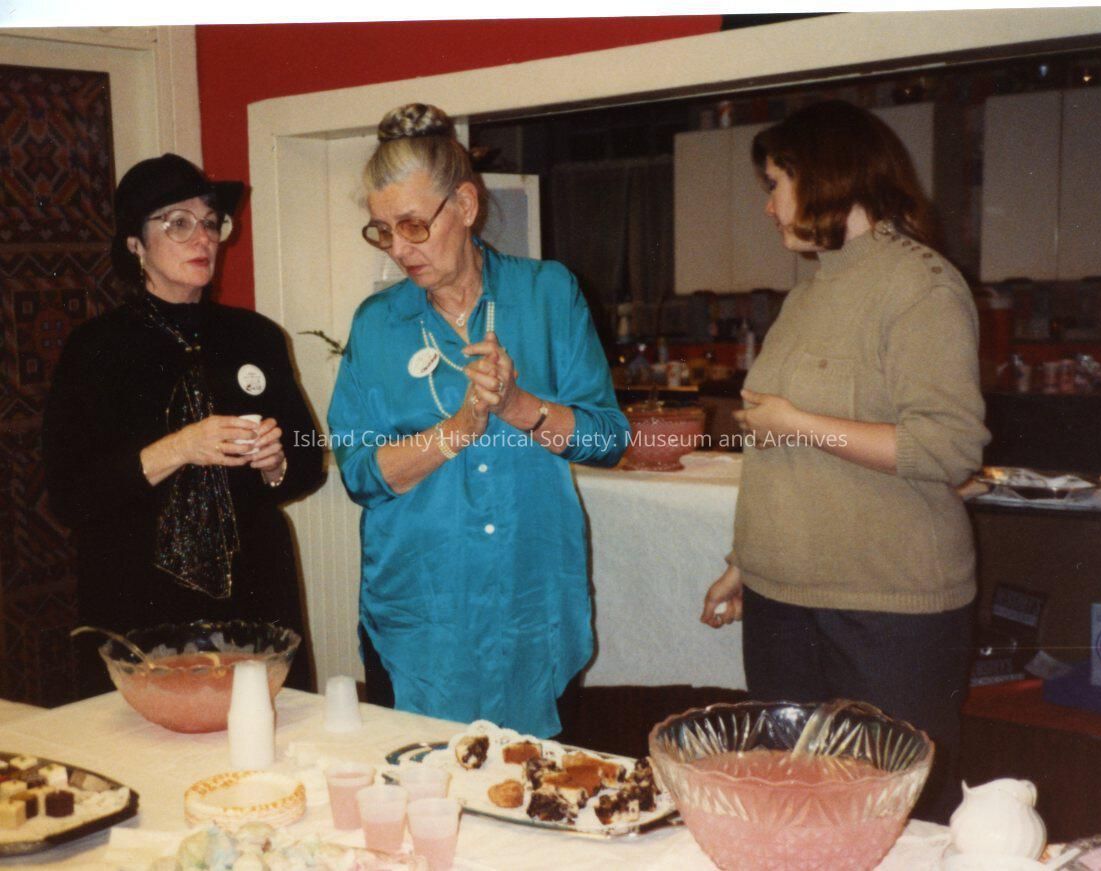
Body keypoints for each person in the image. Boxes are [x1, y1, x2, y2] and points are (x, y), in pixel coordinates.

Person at [699, 100, 989, 823]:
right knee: (793, 812)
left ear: (824, 177)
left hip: (885, 610)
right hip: (783, 600)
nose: (768, 206)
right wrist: (747, 560)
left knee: (893, 821)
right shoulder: (812, 290)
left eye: (775, 184)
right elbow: (779, 454)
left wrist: (800, 424)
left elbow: (948, 446)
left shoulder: (921, 285)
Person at [327, 103, 627, 738]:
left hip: (531, 597)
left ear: (465, 205)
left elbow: (606, 439)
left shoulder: (548, 294)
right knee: (420, 782)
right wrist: (459, 428)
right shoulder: (377, 325)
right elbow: (361, 474)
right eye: (382, 231)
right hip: (422, 608)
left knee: (536, 783)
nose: (399, 249)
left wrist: (518, 407)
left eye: (413, 225)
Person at [43, 153, 325, 696]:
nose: (203, 238)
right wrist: (179, 447)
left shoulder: (257, 336)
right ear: (135, 243)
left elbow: (308, 459)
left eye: (211, 222)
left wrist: (276, 463)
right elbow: (70, 496)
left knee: (262, 737)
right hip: (139, 596)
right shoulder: (94, 349)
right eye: (178, 223)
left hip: (253, 593)